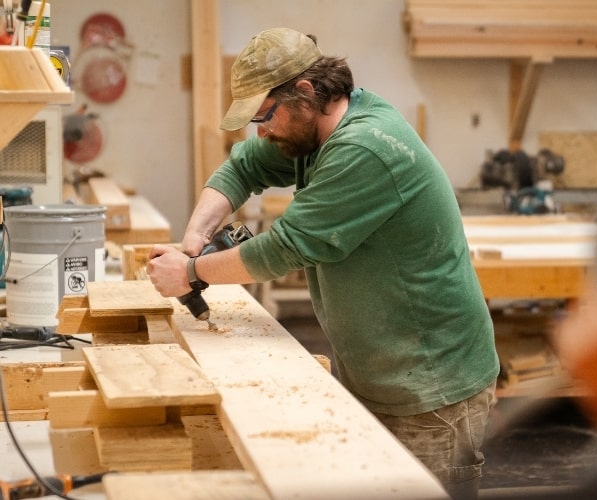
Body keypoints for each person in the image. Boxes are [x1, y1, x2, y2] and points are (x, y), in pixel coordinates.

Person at [146, 27, 500, 499]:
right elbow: (242, 165)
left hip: (432, 383)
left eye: (265, 115)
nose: (261, 130)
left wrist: (190, 273)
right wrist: (195, 238)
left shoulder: (363, 147)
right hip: (382, 367)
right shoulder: (314, 131)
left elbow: (286, 246)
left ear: (306, 92)